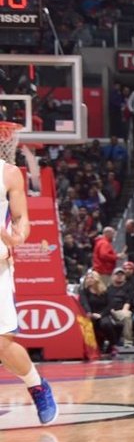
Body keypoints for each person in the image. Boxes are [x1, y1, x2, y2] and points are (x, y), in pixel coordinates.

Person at [0, 156, 57, 424]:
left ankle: (37, 385)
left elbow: (22, 218)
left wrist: (17, 237)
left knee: (1, 344)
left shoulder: (8, 173)